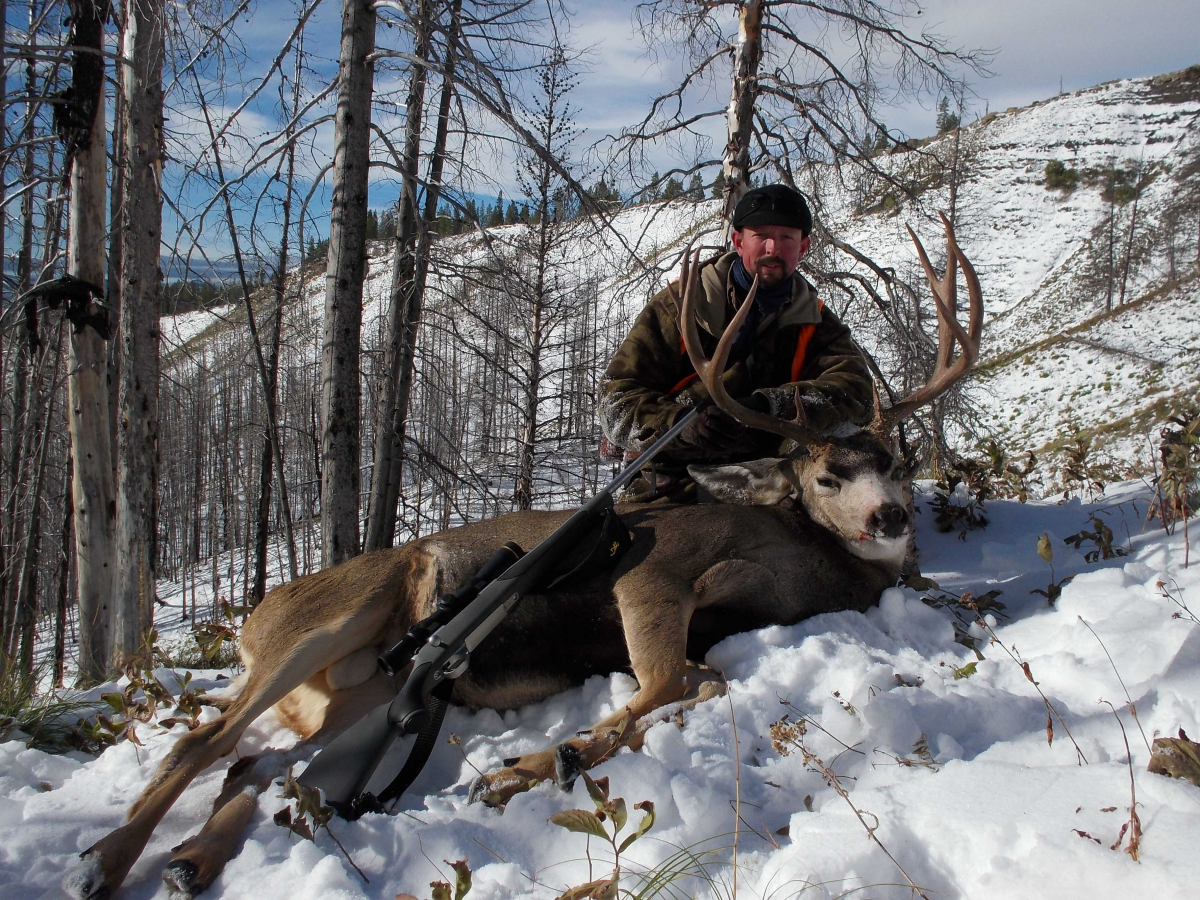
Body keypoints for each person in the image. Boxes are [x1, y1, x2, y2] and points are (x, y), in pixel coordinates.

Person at [598, 183, 873, 502]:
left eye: (787, 237)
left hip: (772, 482)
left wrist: (774, 406)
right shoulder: (679, 306)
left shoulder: (815, 322)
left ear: (803, 246)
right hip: (672, 480)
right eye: (761, 235)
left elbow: (858, 393)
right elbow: (615, 398)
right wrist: (680, 425)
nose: (773, 247)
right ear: (738, 241)